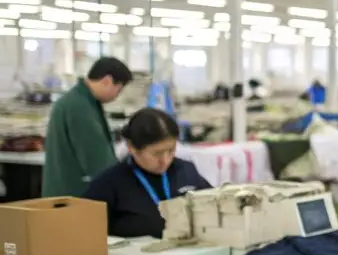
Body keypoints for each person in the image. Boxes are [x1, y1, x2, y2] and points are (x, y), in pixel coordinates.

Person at [83, 108, 211, 238]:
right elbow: (84, 233)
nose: (165, 160)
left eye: (171, 150)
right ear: (132, 148)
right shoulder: (108, 184)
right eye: (157, 154)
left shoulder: (186, 170)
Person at [42, 57, 133, 197]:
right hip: (73, 196)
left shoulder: (79, 101)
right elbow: (96, 158)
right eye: (118, 90)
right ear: (107, 81)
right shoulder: (80, 107)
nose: (116, 96)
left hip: (64, 191)